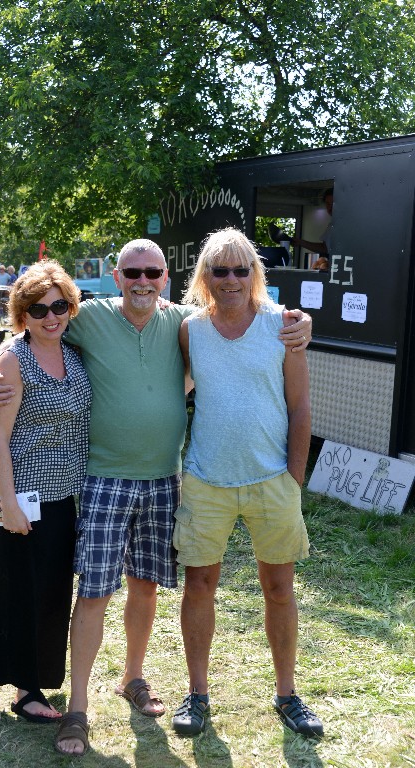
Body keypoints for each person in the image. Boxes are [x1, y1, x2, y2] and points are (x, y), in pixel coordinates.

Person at [0, 239, 312, 757]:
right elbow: (30, 332)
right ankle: (80, 709)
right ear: (117, 276)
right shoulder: (90, 318)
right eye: (132, 272)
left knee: (147, 587)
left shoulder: (181, 322)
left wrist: (302, 324)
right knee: (94, 593)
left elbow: (277, 362)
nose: (142, 281)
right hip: (107, 480)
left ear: (166, 277)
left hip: (166, 479)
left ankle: (134, 678)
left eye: (152, 273)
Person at [171, 228, 323, 739]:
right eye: (220, 270)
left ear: (255, 273)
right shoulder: (191, 330)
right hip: (207, 480)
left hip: (272, 481)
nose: (231, 279)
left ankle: (287, 694)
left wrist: (293, 480)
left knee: (279, 589)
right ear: (205, 277)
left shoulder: (283, 326)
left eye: (242, 269)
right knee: (199, 585)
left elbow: (300, 407)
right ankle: (197, 695)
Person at [0, 260, 92, 723]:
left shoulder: (74, 352)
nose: (51, 316)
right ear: (21, 314)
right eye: (38, 308)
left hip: (62, 495)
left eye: (60, 306)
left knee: (47, 590)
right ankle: (28, 691)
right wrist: (8, 502)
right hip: (20, 495)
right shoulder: (11, 360)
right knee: (21, 591)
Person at [291, 188, 333, 257]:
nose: (330, 207)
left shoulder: (350, 224)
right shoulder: (331, 225)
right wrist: (300, 242)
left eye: (333, 203)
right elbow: (324, 249)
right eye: (328, 204)